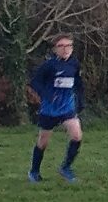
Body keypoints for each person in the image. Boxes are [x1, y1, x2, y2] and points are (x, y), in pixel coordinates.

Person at [26, 35, 83, 182]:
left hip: (67, 107)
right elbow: (34, 83)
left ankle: (65, 168)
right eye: (61, 46)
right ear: (55, 49)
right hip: (49, 109)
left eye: (68, 46)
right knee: (43, 142)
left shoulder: (74, 64)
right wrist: (48, 96)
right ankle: (34, 171)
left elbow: (77, 83)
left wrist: (80, 101)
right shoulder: (49, 65)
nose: (65, 49)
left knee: (77, 136)